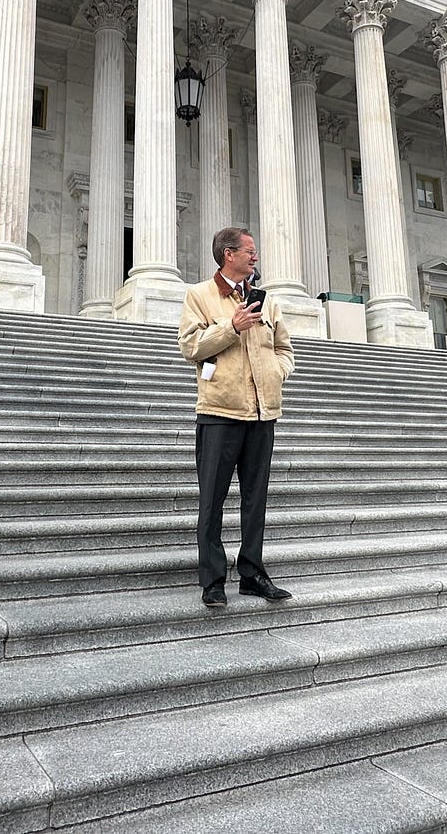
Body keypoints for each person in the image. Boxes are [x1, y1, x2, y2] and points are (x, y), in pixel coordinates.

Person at [178, 227, 295, 608]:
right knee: (212, 500)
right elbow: (190, 346)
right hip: (220, 412)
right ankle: (212, 581)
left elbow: (284, 347)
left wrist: (279, 371)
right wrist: (231, 327)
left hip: (263, 412)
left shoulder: (267, 301)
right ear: (229, 254)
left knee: (255, 499)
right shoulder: (200, 295)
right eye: (249, 250)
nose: (254, 256)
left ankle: (253, 574)